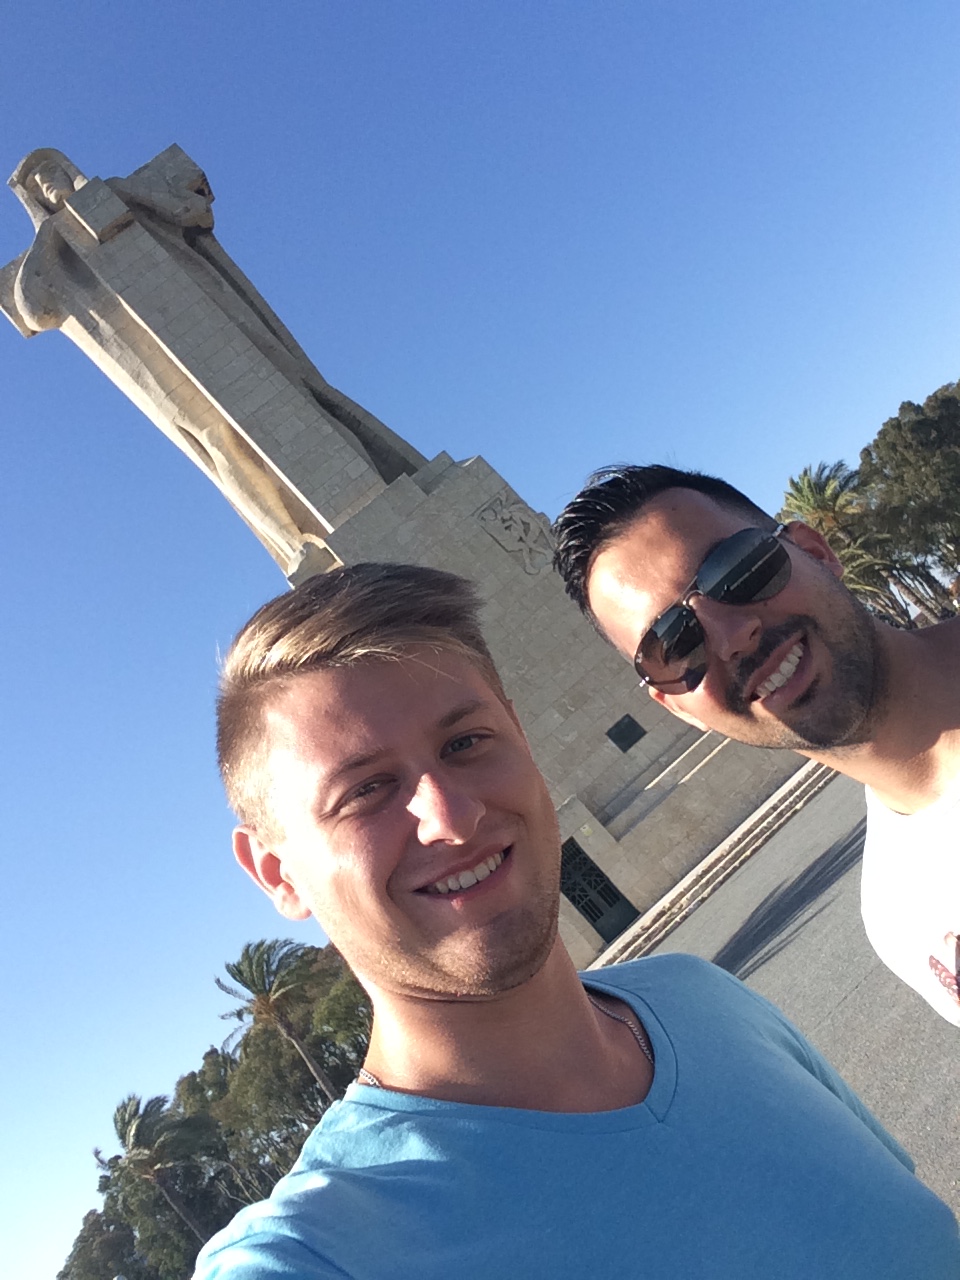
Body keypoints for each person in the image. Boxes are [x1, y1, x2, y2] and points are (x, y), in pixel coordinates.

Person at [194, 561, 958, 1278]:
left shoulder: (704, 999)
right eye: (365, 790)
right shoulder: (321, 1252)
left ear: (521, 737)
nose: (452, 817)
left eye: (466, 743)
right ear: (277, 872)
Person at [552, 463, 960, 1026]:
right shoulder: (904, 921)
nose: (731, 636)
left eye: (736, 569)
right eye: (673, 646)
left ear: (815, 551)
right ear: (677, 706)